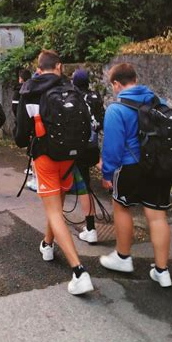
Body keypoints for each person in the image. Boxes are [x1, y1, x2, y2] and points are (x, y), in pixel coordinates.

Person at [15, 50, 94, 296]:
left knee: (53, 211)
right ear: (59, 66)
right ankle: (47, 245)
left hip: (46, 158)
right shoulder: (72, 90)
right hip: (70, 157)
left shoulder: (29, 92)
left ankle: (79, 272)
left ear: (39, 68)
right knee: (57, 206)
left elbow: (19, 138)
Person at [99, 62, 172, 287]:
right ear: (135, 79)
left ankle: (123, 257)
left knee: (122, 207)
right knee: (158, 216)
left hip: (130, 167)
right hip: (158, 167)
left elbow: (112, 147)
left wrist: (107, 174)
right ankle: (162, 271)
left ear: (117, 84)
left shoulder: (116, 108)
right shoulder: (159, 102)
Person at [72, 68, 104, 243]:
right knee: (88, 179)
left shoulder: (74, 97)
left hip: (78, 145)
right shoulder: (95, 96)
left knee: (83, 185)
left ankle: (91, 229)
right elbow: (101, 120)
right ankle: (112, 181)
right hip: (93, 143)